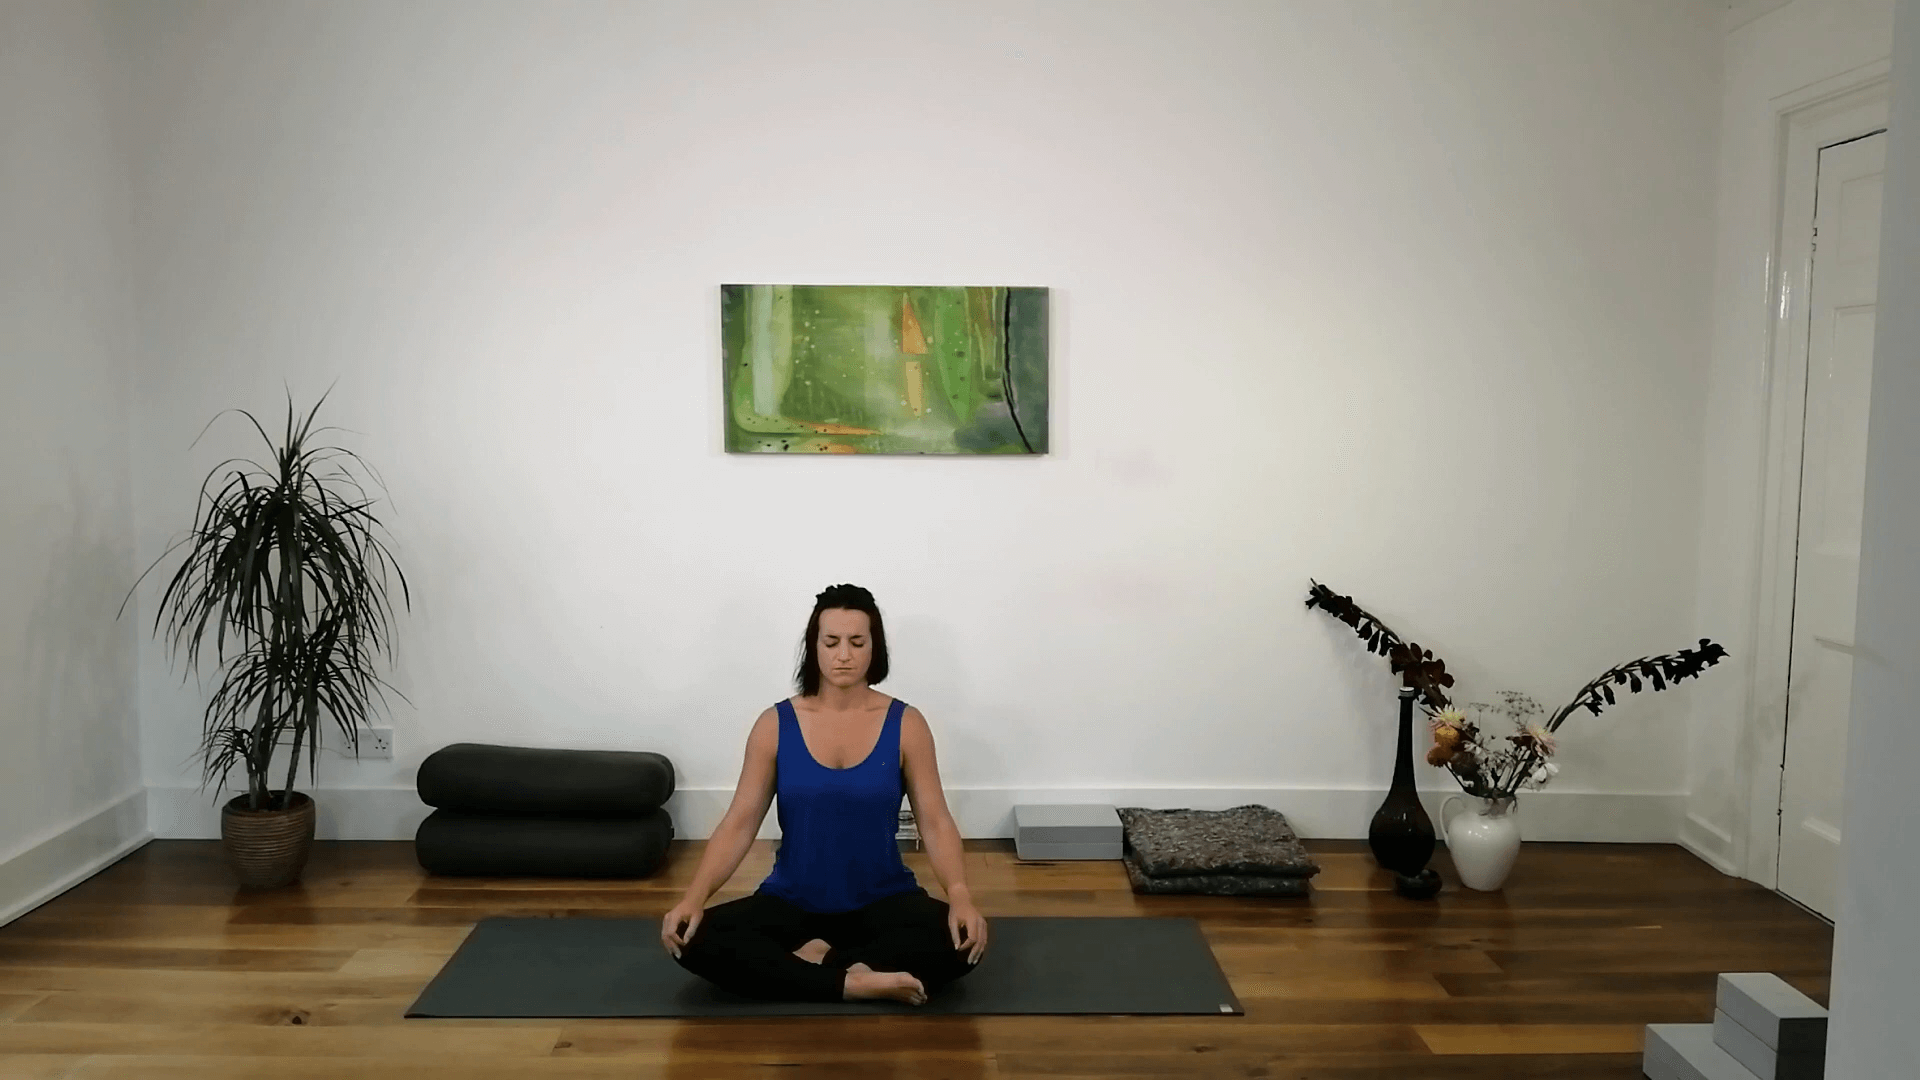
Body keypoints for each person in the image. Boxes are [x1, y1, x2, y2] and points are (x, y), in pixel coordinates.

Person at [661, 584, 988, 1005]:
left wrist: (960, 897)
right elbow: (739, 823)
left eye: (857, 642)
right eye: (831, 642)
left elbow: (936, 821)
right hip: (792, 903)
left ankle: (818, 965)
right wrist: (693, 898)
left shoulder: (907, 724)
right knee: (691, 938)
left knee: (962, 943)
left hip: (884, 900)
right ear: (813, 647)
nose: (843, 655)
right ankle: (857, 979)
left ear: (875, 647)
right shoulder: (774, 724)